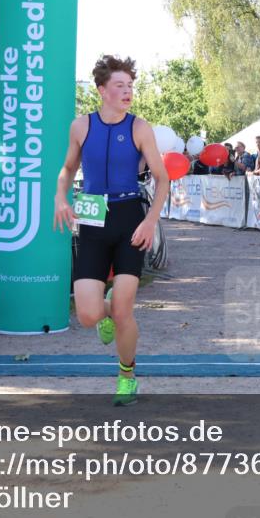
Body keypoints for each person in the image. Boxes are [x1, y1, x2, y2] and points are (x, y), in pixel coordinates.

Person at [53, 55, 169, 407]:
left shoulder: (140, 127)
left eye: (130, 85)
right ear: (102, 90)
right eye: (119, 85)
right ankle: (107, 312)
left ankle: (127, 377)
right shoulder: (80, 126)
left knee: (124, 311)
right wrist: (60, 198)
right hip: (92, 217)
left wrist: (150, 221)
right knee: (88, 315)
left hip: (130, 217)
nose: (127, 91)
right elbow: (67, 169)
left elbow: (162, 178)